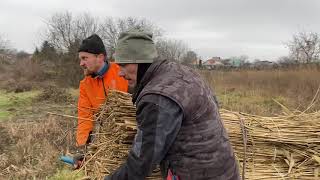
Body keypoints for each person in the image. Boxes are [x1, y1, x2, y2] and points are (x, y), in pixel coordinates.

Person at [105, 30, 240, 180]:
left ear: (140, 60)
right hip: (226, 169)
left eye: (123, 65)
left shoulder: (157, 98)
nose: (120, 73)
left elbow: (142, 161)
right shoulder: (184, 72)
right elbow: (214, 105)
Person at [77, 34, 128, 148]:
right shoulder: (85, 85)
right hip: (108, 140)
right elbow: (84, 119)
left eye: (85, 58)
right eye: (80, 59)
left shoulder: (122, 72)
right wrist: (83, 147)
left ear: (100, 57)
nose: (81, 63)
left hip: (132, 134)